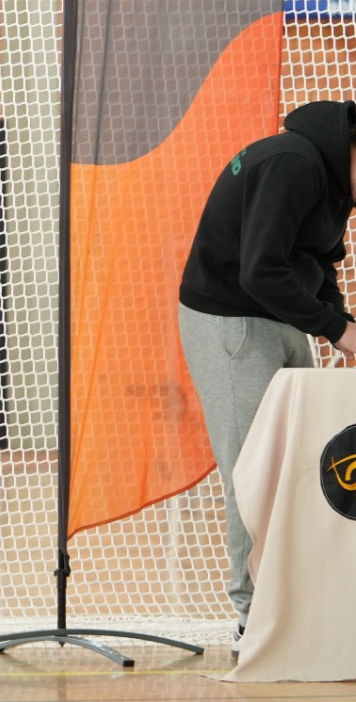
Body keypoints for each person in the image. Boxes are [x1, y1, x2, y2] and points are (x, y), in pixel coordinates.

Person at [178, 99, 356, 653]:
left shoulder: (335, 179)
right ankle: (252, 617)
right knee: (252, 470)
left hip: (280, 316)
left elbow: (320, 260)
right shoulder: (294, 163)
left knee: (303, 464)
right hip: (229, 320)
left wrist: (342, 322)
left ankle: (297, 602)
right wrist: (336, 329)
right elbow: (260, 271)